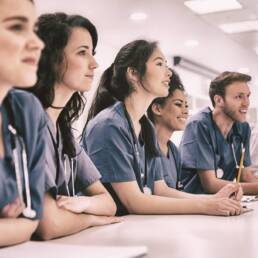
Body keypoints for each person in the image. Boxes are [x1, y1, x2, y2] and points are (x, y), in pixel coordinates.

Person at [82, 40, 242, 217]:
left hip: (134, 227)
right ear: (133, 73)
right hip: (106, 233)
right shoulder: (109, 125)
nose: (169, 73)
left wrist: (212, 200)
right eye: (159, 64)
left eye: (167, 65)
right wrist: (205, 206)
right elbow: (134, 202)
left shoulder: (146, 126)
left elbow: (161, 189)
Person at [30, 12, 119, 240]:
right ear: (51, 58)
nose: (94, 63)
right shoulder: (31, 122)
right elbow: (49, 225)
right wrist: (90, 219)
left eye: (92, 53)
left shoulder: (63, 131)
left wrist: (82, 202)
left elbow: (108, 203)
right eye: (82, 53)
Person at [0, 0, 46, 246]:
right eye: (17, 27)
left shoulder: (26, 110)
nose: (38, 43)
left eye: (34, 29)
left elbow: (30, 220)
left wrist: (19, 225)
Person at [180, 71, 258, 194]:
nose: (246, 103)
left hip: (221, 201)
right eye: (239, 97)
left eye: (247, 96)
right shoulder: (199, 125)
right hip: (194, 204)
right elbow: (210, 185)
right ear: (219, 100)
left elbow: (245, 175)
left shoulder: (243, 128)